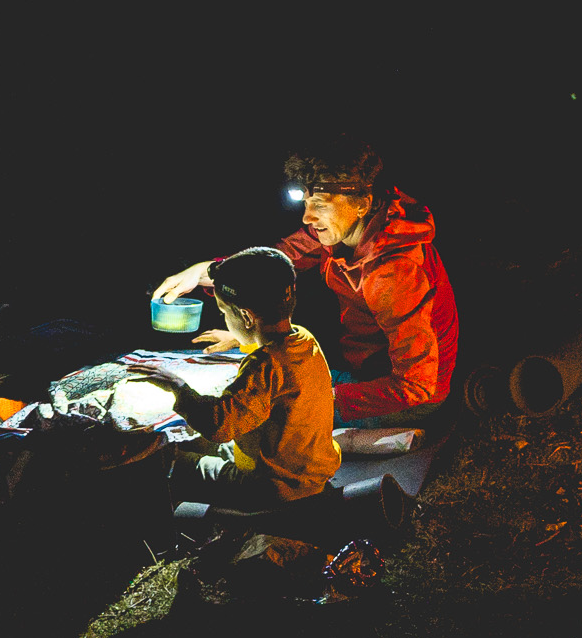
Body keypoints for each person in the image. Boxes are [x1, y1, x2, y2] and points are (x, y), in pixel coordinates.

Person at [154, 138, 458, 429]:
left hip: (401, 400)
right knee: (249, 374)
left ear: (362, 204)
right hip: (365, 374)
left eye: (321, 206)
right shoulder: (347, 226)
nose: (307, 218)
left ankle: (364, 440)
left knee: (258, 410)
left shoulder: (394, 273)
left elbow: (417, 385)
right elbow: (277, 260)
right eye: (307, 202)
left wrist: (318, 398)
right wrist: (207, 271)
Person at [130, 248, 340, 508]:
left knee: (175, 460)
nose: (223, 318)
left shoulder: (263, 365)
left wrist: (177, 386)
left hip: (276, 486)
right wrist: (237, 337)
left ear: (246, 316)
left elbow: (219, 425)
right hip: (306, 467)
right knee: (201, 443)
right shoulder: (304, 339)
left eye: (224, 312)